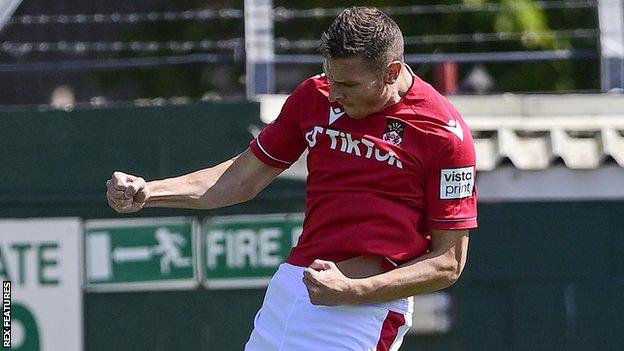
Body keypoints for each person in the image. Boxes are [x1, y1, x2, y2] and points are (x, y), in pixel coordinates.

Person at [106, 6, 477, 351]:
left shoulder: (445, 134)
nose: (334, 93)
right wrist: (149, 191)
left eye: (348, 85)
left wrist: (355, 291)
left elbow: (448, 262)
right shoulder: (313, 95)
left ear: (392, 72)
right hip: (290, 293)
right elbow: (240, 180)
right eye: (331, 78)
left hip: (362, 313)